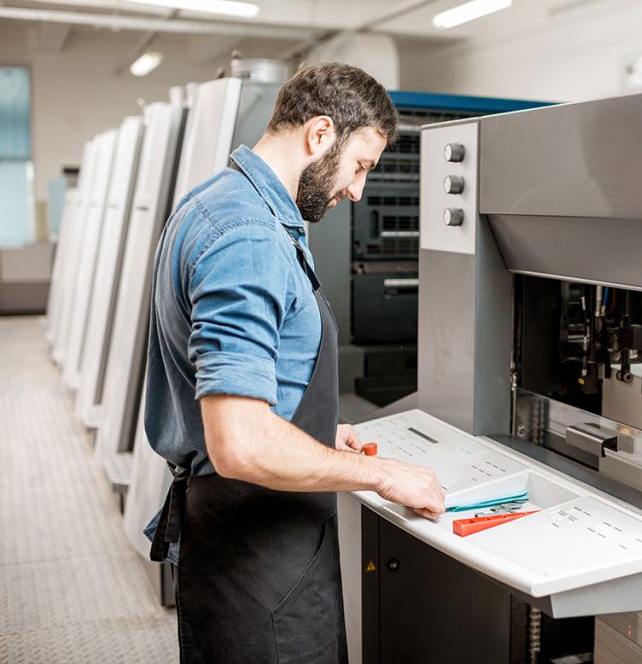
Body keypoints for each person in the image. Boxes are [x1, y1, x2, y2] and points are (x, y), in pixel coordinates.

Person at [144, 62, 445, 662]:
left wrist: (312, 433)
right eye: (359, 166)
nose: (357, 190)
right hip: (258, 554)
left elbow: (243, 391)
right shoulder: (248, 237)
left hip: (251, 536)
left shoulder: (217, 201)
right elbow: (240, 444)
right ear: (320, 133)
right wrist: (382, 475)